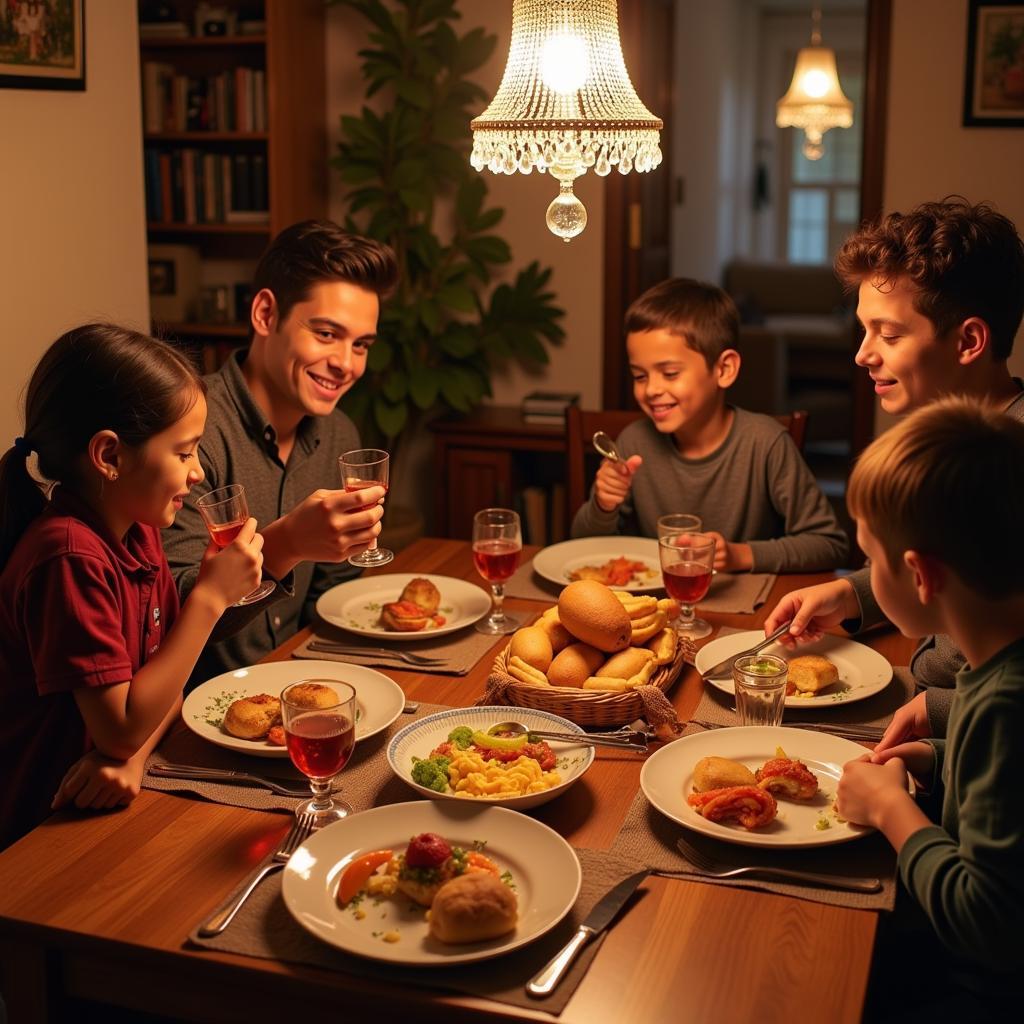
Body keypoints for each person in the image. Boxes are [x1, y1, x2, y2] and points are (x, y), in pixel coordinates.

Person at [763, 198, 1024, 746]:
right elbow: (951, 576)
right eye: (863, 331)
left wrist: (946, 709)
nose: (863, 355)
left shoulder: (1005, 468)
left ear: (969, 341)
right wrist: (852, 595)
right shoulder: (942, 441)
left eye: (889, 334)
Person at [0, 324, 263, 849]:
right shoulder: (67, 556)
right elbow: (120, 728)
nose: (197, 473)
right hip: (37, 830)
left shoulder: (139, 533)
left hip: (103, 806)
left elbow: (166, 687)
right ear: (110, 457)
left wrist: (133, 762)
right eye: (184, 452)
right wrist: (210, 599)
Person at [834, 397, 1024, 1017]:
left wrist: (891, 810)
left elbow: (987, 923)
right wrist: (937, 760)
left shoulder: (1004, 704)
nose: (866, 574)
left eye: (869, 557)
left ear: (920, 575)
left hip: (971, 992)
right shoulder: (992, 663)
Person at [162, 220, 398, 684]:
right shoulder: (191, 434)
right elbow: (175, 615)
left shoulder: (338, 436)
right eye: (327, 334)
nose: (346, 365)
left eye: (361, 345)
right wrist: (284, 545)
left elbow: (333, 602)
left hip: (300, 691)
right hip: (195, 717)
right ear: (266, 314)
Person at [570, 277, 848, 572]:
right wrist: (603, 505)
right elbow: (582, 550)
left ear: (724, 369)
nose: (650, 389)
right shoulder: (633, 442)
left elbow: (829, 544)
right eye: (640, 376)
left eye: (670, 373)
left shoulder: (766, 443)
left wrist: (741, 555)